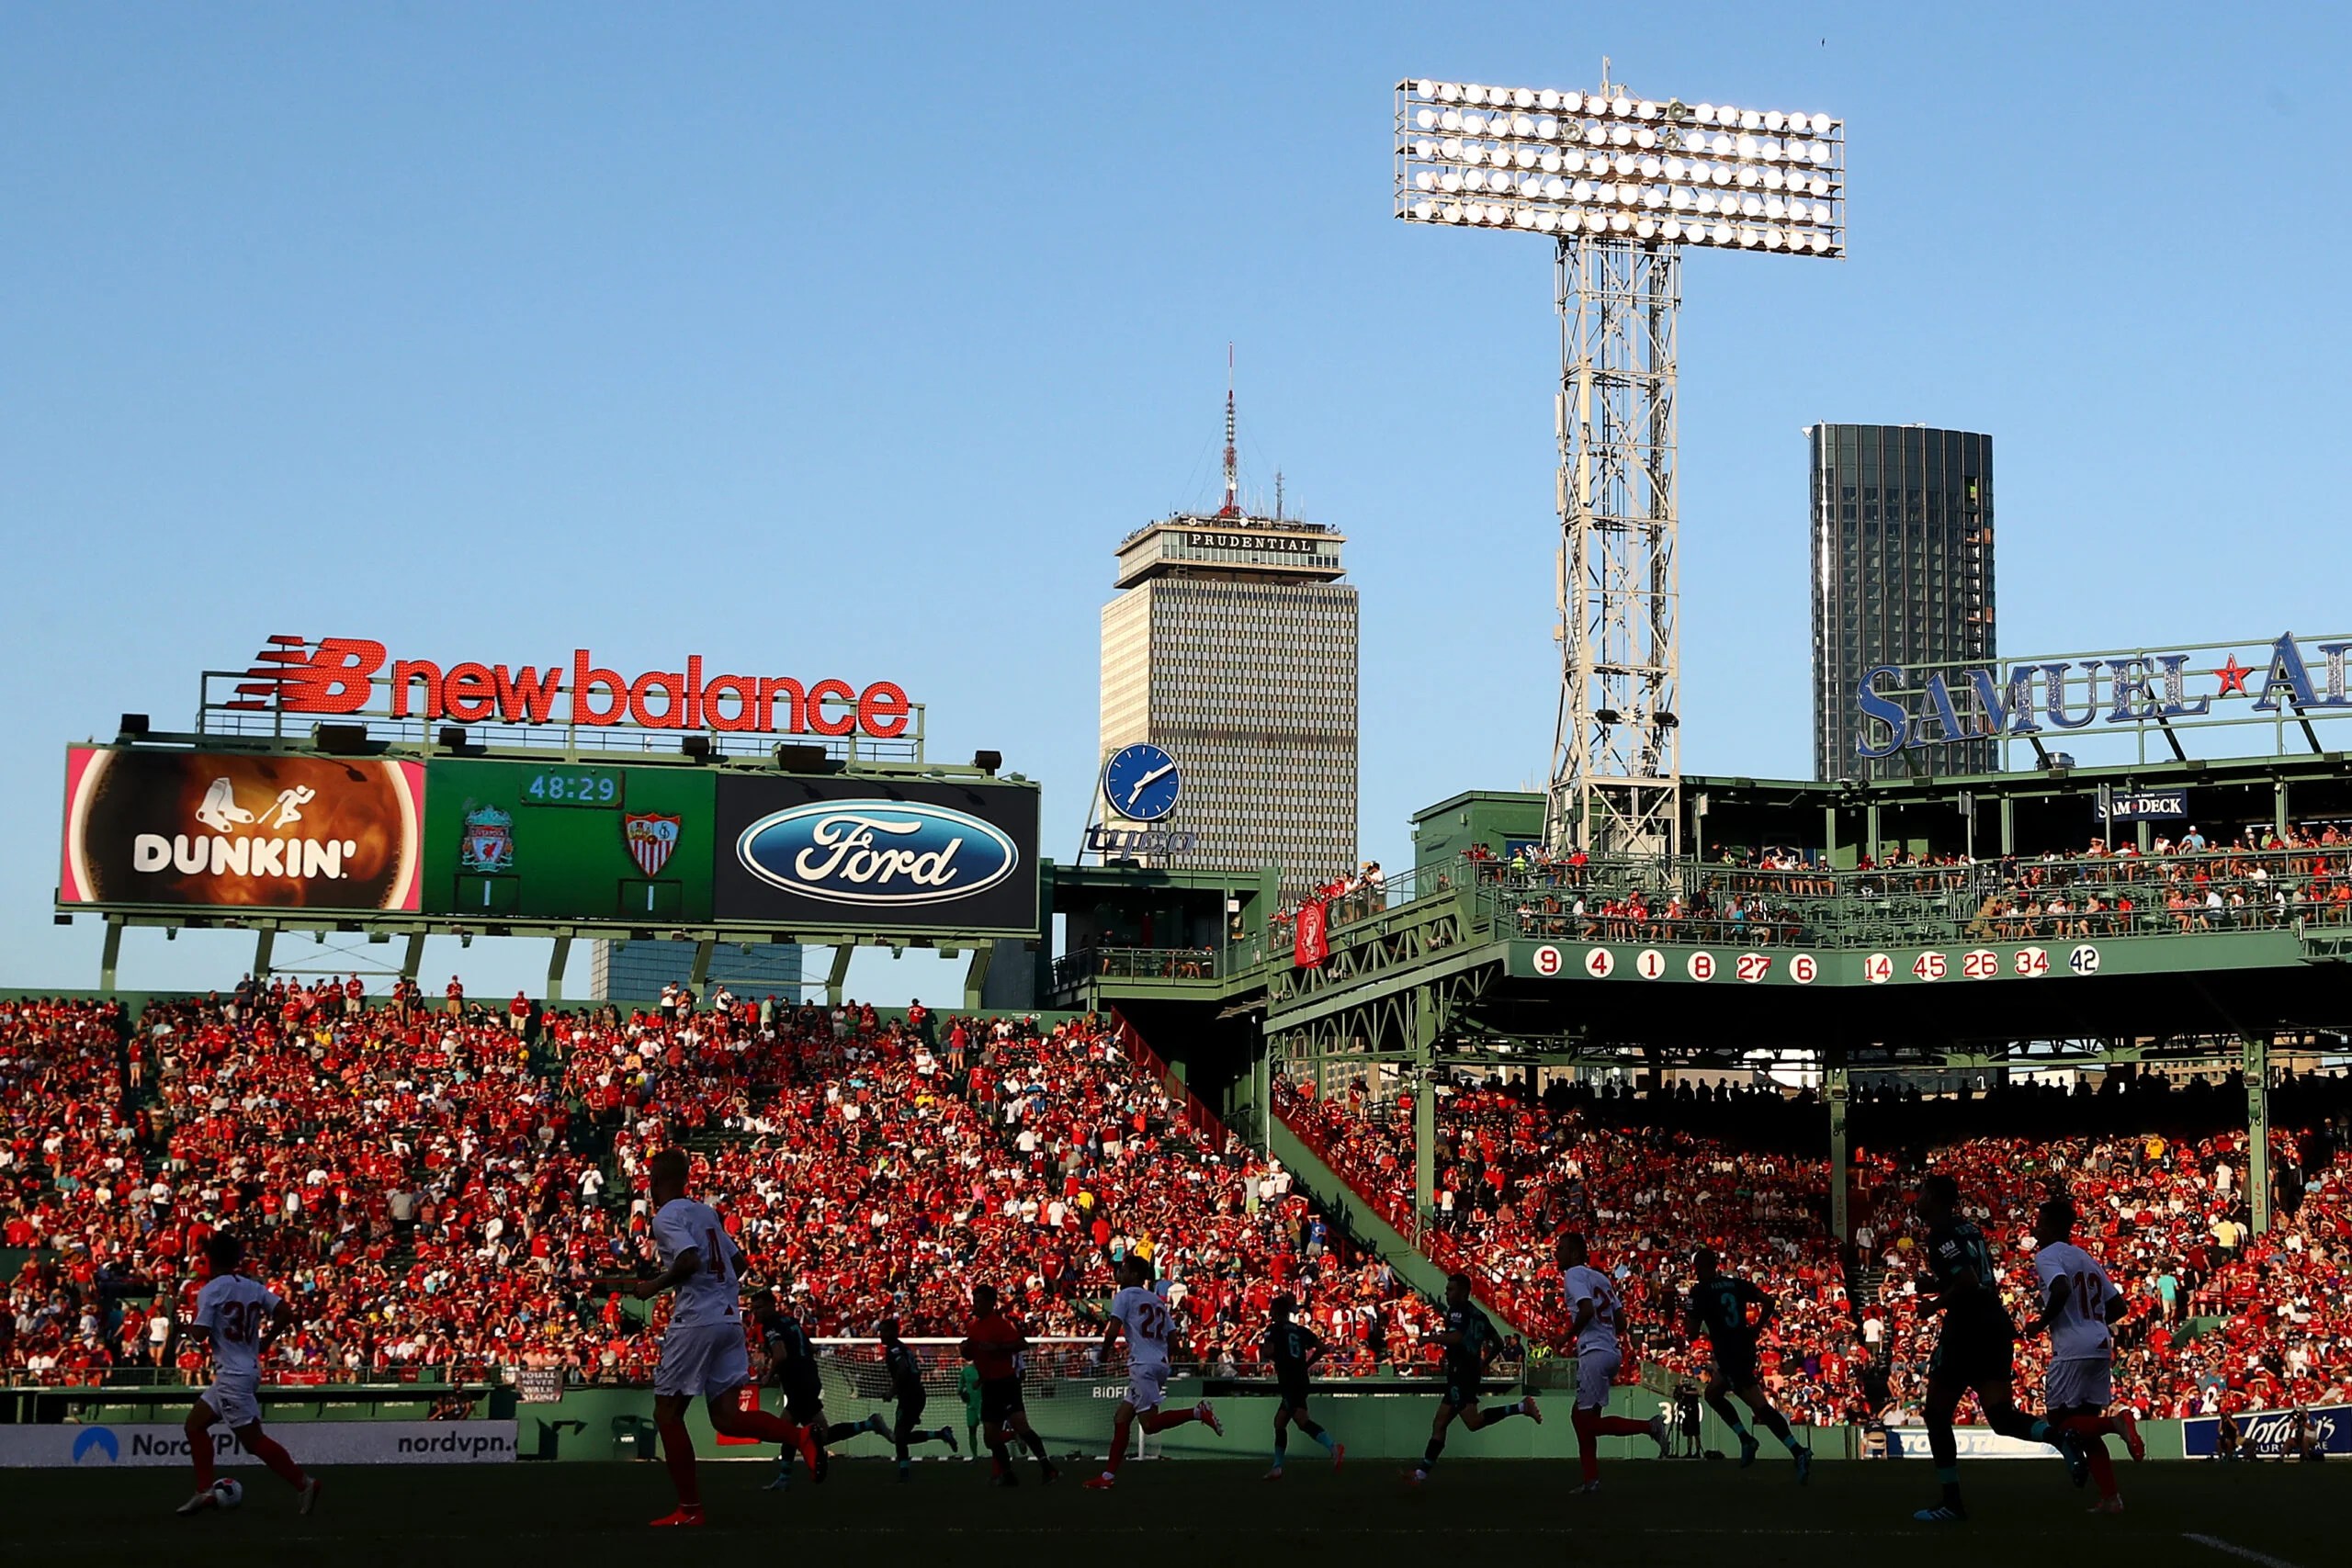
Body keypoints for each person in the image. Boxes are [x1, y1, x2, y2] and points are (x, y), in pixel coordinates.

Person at [616, 1147, 814, 1527]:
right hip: (728, 1320)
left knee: (667, 1413)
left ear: (655, 1182)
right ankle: (800, 1437)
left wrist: (653, 1286)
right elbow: (739, 1264)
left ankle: (690, 1510)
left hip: (697, 1321)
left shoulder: (665, 1217)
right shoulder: (705, 1212)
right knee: (726, 1417)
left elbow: (688, 1260)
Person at [1909, 1173, 2088, 1523]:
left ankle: (1952, 1502)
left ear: (1935, 1198)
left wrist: (1933, 1304)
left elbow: (1968, 1282)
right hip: (1996, 1325)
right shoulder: (1968, 1229)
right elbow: (1974, 1278)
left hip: (1967, 1328)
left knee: (1936, 1414)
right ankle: (2060, 1438)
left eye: (1923, 1193)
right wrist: (1935, 1284)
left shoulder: (1942, 1233)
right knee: (2001, 1417)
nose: (1918, 1199)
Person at [169, 1232, 322, 1517]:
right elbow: (286, 1313)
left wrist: (181, 1328)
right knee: (194, 1425)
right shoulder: (253, 1287)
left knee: (253, 1442)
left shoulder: (211, 1290)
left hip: (232, 1376)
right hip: (244, 1369)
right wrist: (265, 1341)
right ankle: (204, 1492)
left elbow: (200, 1335)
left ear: (210, 1259)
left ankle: (305, 1484)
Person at [2030, 1195, 2143, 1514]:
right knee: (2085, 1427)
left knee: (2061, 1423)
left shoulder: (2047, 1256)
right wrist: (2089, 1322)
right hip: (2099, 1342)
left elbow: (2062, 1288)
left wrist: (2041, 1322)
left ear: (2051, 1226)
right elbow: (2119, 1306)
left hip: (2072, 1348)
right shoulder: (2085, 1257)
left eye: (2039, 1223)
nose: (2036, 1229)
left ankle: (2117, 1424)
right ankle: (2111, 1498)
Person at [1084, 1256, 1223, 1489]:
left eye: (1125, 1270)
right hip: (1158, 1363)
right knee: (1121, 1418)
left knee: (1149, 1425)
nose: (1121, 1274)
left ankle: (1197, 1412)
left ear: (1136, 1276)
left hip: (1142, 1365)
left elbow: (1113, 1330)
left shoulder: (1124, 1296)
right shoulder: (1157, 1301)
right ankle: (1107, 1477)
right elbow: (1174, 1343)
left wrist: (1105, 1352)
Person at [1685, 1248, 1811, 1481]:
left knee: (1759, 1406)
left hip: (1730, 1353)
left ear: (1698, 1267)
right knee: (1712, 1394)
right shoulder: (1735, 1284)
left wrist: (1695, 1317)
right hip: (1745, 1347)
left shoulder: (1699, 1291)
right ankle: (1746, 1439)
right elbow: (1769, 1301)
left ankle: (1797, 1450)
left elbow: (1691, 1333)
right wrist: (1756, 1328)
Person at [1557, 1234, 1668, 1493]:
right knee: (1581, 1417)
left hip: (1594, 1353)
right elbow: (1621, 1323)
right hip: (1610, 1351)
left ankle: (1650, 1426)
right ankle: (1591, 1480)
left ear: (1575, 1254)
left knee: (1587, 1423)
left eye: (1561, 1249)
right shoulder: (1601, 1277)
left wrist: (1567, 1335)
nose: (1556, 1253)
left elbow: (1585, 1309)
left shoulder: (1573, 1274)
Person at [1408, 1273, 1541, 1484]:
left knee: (1473, 1421)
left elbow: (1456, 1337)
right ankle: (1420, 1475)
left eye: (1450, 1289)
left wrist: (1428, 1338)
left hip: (1461, 1372)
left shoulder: (1457, 1311)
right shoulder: (1479, 1314)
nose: (1446, 1293)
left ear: (1462, 1292)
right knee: (1440, 1423)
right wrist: (1483, 1363)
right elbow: (1498, 1342)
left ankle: (1521, 1407)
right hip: (1467, 1371)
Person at [752, 1289, 883, 1489]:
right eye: (754, 1308)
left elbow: (780, 1354)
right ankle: (868, 1425)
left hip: (798, 1383)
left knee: (789, 1431)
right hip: (808, 1378)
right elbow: (810, 1347)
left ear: (771, 1305)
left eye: (759, 1307)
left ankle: (784, 1478)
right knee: (812, 1434)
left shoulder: (772, 1325)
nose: (756, 1312)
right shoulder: (791, 1322)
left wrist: (768, 1375)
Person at [959, 1283, 1059, 1485]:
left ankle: (1048, 1468)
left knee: (1021, 1426)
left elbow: (1022, 1344)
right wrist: (965, 1349)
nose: (975, 1305)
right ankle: (1008, 1474)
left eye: (979, 1301)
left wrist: (997, 1347)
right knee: (990, 1436)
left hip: (1005, 1383)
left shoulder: (1000, 1325)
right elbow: (972, 1353)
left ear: (990, 1303)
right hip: (989, 1385)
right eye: (974, 1301)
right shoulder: (974, 1325)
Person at [1262, 1292, 1343, 1479]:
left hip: (1289, 1379)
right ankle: (1277, 1467)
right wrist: (1306, 1363)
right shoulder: (1301, 1330)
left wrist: (1275, 1356)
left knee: (1300, 1420)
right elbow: (1322, 1348)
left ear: (1275, 1311)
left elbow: (1269, 1351)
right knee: (1281, 1422)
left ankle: (1333, 1447)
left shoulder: (1273, 1329)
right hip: (1300, 1378)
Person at [876, 1317, 958, 1481]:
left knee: (899, 1436)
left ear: (893, 1332)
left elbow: (903, 1369)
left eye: (884, 1331)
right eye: (880, 1331)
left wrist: (892, 1391)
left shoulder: (895, 1350)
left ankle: (904, 1473)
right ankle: (941, 1434)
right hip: (915, 1394)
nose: (881, 1335)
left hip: (910, 1395)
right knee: (902, 1436)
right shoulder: (902, 1348)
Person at [958, 1357, 984, 1461]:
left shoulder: (985, 1369)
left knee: (991, 1430)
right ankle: (975, 1456)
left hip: (984, 1405)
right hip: (971, 1406)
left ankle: (997, 1455)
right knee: (972, 1430)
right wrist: (962, 1394)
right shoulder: (966, 1370)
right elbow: (960, 1387)